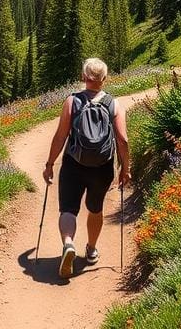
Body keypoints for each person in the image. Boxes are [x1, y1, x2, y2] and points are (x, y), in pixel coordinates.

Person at [42, 57, 131, 279]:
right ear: (104, 79)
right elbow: (123, 140)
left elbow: (60, 136)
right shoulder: (113, 104)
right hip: (102, 167)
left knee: (68, 209)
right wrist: (125, 168)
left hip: (74, 163)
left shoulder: (72, 102)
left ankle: (69, 243)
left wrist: (50, 163)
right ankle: (91, 249)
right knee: (95, 208)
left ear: (84, 77)